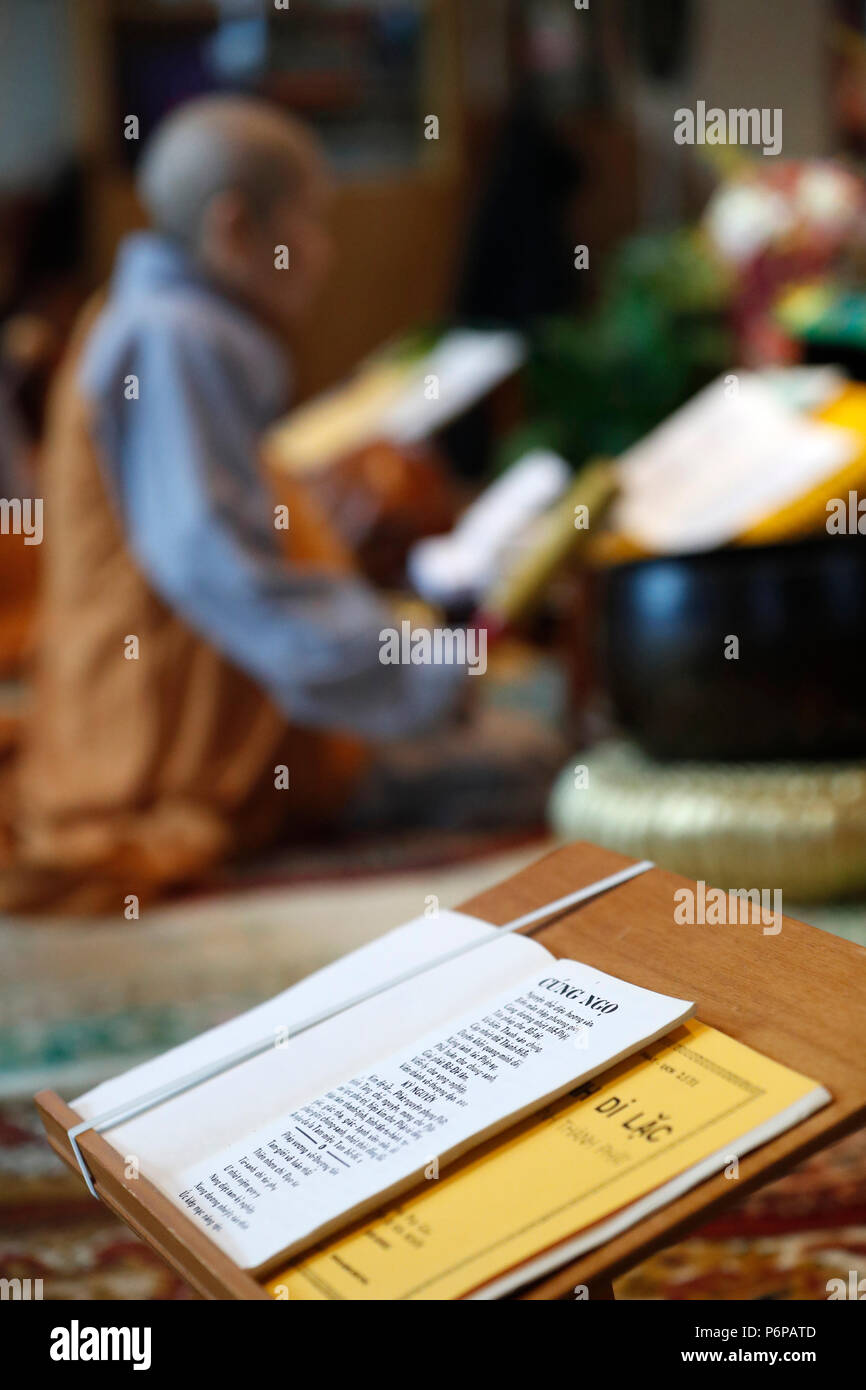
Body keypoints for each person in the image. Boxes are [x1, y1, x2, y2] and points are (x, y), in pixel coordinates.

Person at [0, 96, 469, 913]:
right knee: (523, 762)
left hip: (200, 706)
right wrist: (409, 664)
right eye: (311, 223)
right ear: (234, 231)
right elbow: (219, 567)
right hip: (170, 743)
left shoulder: (159, 319)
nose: (325, 253)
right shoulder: (174, 335)